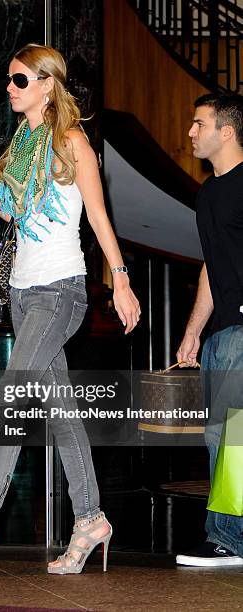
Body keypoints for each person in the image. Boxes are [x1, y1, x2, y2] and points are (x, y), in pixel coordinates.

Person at [0, 43, 140, 576]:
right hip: (22, 294)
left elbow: (96, 212)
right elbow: (18, 218)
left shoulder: (72, 141)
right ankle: (91, 519)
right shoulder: (24, 140)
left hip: (59, 292)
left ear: (47, 84)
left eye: (19, 80)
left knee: (11, 398)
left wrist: (120, 280)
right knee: (62, 417)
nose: (9, 88)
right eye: (9, 80)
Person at [176, 93, 243, 567]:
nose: (191, 132)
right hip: (222, 334)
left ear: (227, 131)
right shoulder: (207, 194)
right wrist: (194, 331)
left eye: (199, 124)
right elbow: (210, 265)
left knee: (233, 437)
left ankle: (227, 539)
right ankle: (229, 537)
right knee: (221, 436)